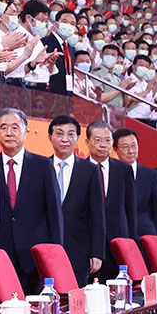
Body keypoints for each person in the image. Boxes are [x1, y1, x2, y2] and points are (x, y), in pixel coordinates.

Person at [0, 108, 63, 296]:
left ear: (26, 131)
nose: (9, 133)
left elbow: (54, 213)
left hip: (36, 256)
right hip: (1, 254)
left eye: (15, 128)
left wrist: (55, 254)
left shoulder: (43, 165)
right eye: (4, 127)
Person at [48, 116, 105, 286]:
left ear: (77, 138)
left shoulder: (90, 170)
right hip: (47, 250)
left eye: (70, 134)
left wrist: (97, 252)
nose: (65, 139)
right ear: (50, 137)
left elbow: (97, 214)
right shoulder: (41, 166)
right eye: (59, 134)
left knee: (77, 297)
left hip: (79, 251)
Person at [85, 120, 136, 282]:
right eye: (98, 140)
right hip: (89, 243)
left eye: (107, 140)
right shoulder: (81, 169)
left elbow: (130, 209)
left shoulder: (124, 170)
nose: (103, 145)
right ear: (87, 142)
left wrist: (131, 244)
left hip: (118, 241)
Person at [113, 128, 157, 238]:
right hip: (117, 235)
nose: (131, 151)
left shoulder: (151, 175)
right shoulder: (109, 173)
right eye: (125, 147)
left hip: (145, 236)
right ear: (115, 149)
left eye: (134, 146)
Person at [41, 9, 76, 96]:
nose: (68, 26)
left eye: (72, 24)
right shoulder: (45, 42)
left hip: (67, 93)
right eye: (65, 22)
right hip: (49, 93)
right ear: (56, 24)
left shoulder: (70, 48)